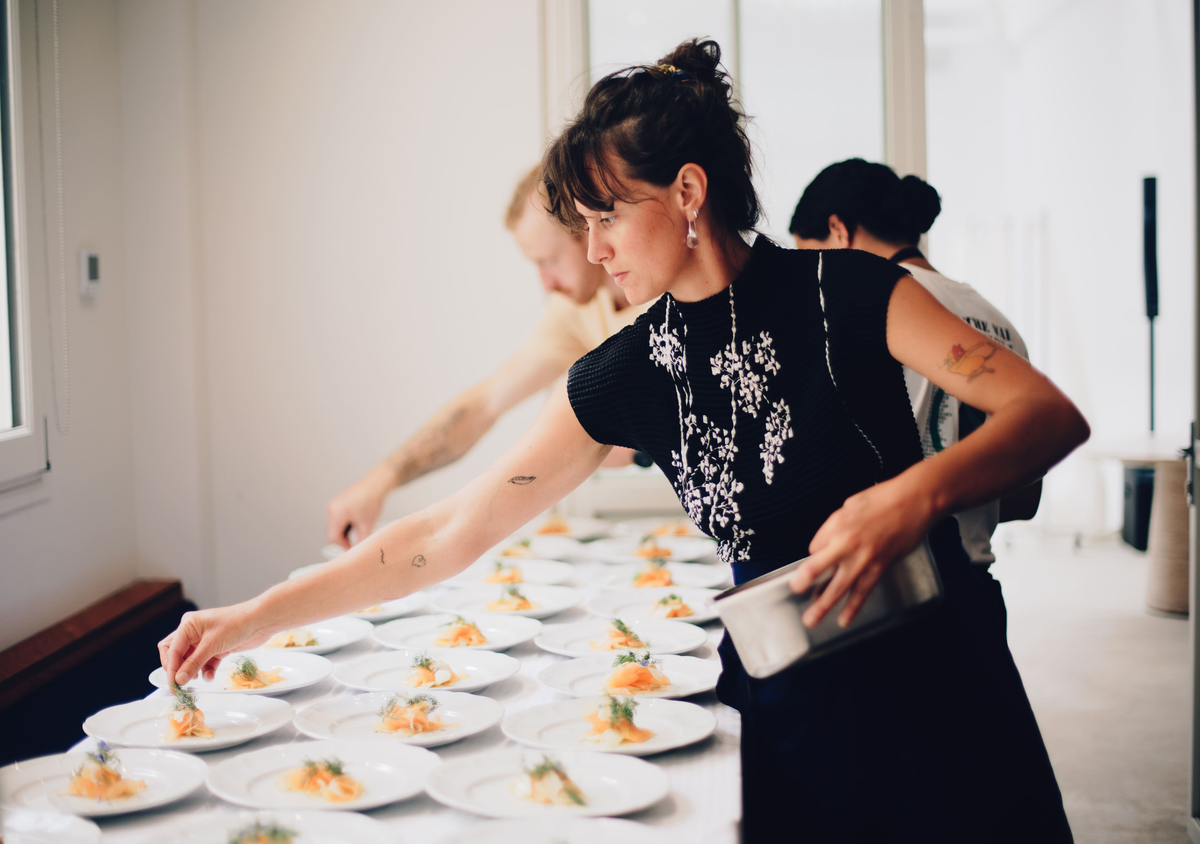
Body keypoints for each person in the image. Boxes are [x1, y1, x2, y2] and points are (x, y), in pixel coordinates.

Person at [160, 39, 1087, 843]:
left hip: (935, 675)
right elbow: (446, 536)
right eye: (585, 225)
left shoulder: (846, 292)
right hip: (793, 696)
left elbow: (1047, 416)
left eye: (608, 216)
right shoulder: (628, 370)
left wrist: (912, 494)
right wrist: (253, 618)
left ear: (688, 191)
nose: (595, 253)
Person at [324, 166, 651, 548]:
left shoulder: (666, 295)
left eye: (548, 260)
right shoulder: (574, 309)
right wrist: (378, 483)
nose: (545, 283)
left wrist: (631, 448)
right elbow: (483, 405)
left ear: (587, 228)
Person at [790, 158, 1036, 623]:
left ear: (839, 231)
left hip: (884, 591)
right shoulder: (999, 323)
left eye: (810, 256)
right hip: (975, 587)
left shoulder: (864, 312)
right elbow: (1026, 497)